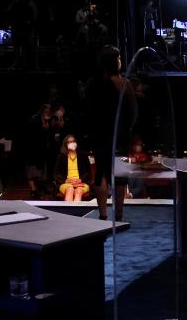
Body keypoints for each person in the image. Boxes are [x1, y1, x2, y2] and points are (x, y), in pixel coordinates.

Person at [87, 45, 136, 221]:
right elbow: (133, 113)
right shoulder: (124, 84)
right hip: (119, 136)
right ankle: (120, 216)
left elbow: (88, 111)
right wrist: (126, 129)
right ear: (115, 62)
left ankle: (103, 215)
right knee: (120, 177)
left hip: (99, 135)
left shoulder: (93, 84)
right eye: (119, 58)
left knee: (101, 172)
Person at [57, 135, 89, 203]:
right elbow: (56, 174)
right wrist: (65, 180)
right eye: (69, 142)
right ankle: (67, 212)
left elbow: (88, 172)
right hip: (66, 183)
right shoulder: (61, 157)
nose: (72, 143)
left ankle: (76, 212)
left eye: (73, 141)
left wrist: (81, 180)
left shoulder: (83, 156)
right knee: (70, 190)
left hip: (81, 183)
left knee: (78, 191)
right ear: (66, 144)